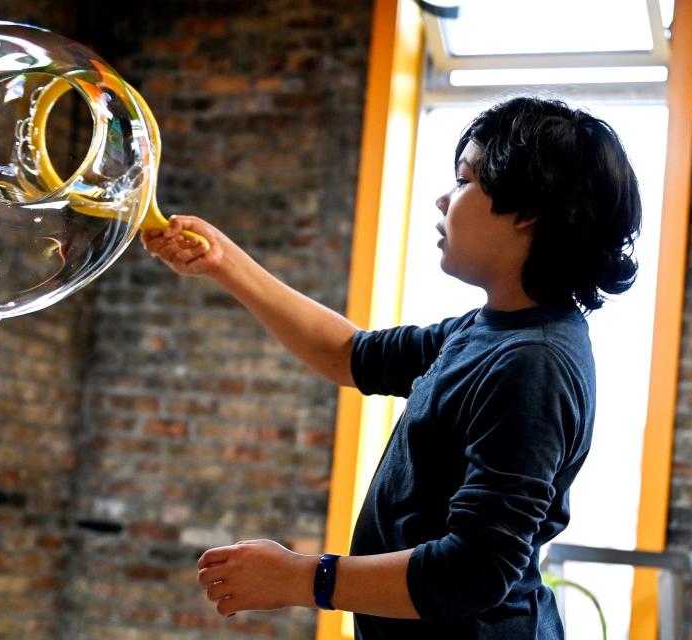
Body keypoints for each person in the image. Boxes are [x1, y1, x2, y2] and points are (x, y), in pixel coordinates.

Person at [141, 96, 642, 639]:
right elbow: (349, 354)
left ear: (527, 212)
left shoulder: (534, 363)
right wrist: (224, 261)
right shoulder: (487, 330)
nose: (443, 198)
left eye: (466, 180)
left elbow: (475, 569)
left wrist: (303, 579)